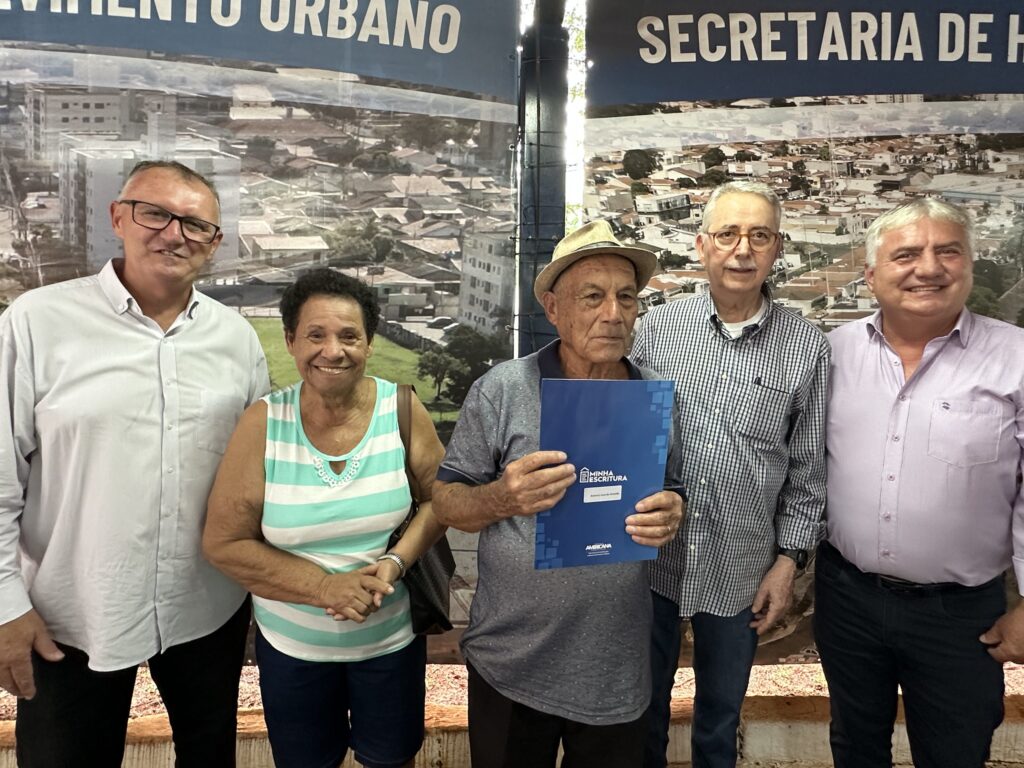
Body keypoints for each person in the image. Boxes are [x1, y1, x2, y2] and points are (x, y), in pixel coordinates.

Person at [0, 160, 270, 766]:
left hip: (207, 606)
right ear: (118, 218)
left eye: (195, 225)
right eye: (155, 214)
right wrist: (4, 607)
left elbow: (255, 474)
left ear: (214, 244)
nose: (174, 234)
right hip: (71, 611)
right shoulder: (37, 322)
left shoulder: (236, 339)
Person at [431, 219, 684, 767]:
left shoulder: (653, 396)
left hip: (614, 666)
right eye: (592, 297)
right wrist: (502, 498)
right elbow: (447, 502)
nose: (612, 313)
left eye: (626, 297)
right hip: (511, 662)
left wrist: (673, 510)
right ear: (553, 308)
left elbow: (672, 488)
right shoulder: (503, 389)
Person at [203, 267, 447, 768]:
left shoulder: (401, 409)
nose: (332, 351)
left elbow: (440, 501)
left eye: (349, 336)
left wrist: (396, 562)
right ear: (290, 341)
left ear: (370, 343)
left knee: (391, 758)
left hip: (391, 647)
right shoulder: (264, 422)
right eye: (315, 335)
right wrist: (323, 588)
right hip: (292, 654)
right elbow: (224, 542)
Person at [815, 197, 1024, 768]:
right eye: (906, 254)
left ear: (970, 265)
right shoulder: (830, 356)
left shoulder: (1015, 358)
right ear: (870, 275)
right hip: (847, 599)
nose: (927, 268)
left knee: (955, 751)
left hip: (960, 615)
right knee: (855, 745)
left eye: (947, 251)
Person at [633, 180, 829, 768]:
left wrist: (788, 562)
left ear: (777, 249)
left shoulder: (807, 346)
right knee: (639, 714)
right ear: (702, 246)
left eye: (759, 236)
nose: (743, 249)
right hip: (650, 562)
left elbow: (808, 470)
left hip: (742, 567)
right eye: (727, 234)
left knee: (720, 718)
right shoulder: (655, 331)